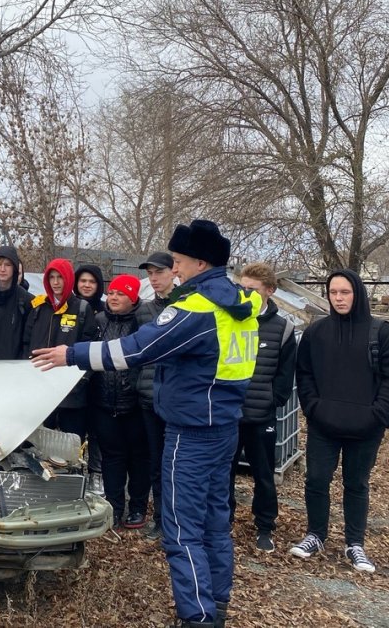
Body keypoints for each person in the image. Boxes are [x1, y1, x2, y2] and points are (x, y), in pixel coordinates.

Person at [32, 220, 260, 628]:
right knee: (213, 523)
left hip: (190, 432)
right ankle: (217, 604)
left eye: (177, 262)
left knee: (182, 531)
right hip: (225, 425)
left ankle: (199, 618)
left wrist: (72, 355)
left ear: (201, 262)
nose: (174, 270)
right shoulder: (243, 303)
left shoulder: (197, 310)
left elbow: (135, 349)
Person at [289, 269, 389, 574]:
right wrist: (313, 408)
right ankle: (316, 534)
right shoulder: (317, 333)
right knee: (316, 480)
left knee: (356, 484)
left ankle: (355, 543)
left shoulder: (381, 332)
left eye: (345, 292)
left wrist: (377, 415)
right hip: (324, 425)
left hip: (366, 428)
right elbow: (303, 374)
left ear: (358, 293)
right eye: (333, 293)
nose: (339, 298)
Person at [230, 261, 296, 553]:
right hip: (229, 414)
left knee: (264, 475)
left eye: (252, 290)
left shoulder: (283, 329)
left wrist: (272, 402)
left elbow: (285, 375)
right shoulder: (231, 320)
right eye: (242, 289)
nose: (246, 294)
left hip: (261, 417)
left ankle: (265, 526)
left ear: (269, 291)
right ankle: (223, 520)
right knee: (223, 473)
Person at [87, 274, 151, 528]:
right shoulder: (99, 320)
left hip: (134, 403)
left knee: (138, 459)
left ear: (132, 297)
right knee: (112, 458)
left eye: (120, 294)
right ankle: (114, 508)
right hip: (104, 402)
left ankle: (137, 507)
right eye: (111, 292)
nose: (113, 297)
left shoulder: (143, 321)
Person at [22, 258, 98, 439]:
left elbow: (90, 348)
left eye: (60, 277)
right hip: (40, 395)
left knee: (70, 450)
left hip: (71, 396)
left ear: (69, 279)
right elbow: (26, 343)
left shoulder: (81, 308)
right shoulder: (38, 307)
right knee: (38, 448)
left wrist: (81, 381)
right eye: (52, 278)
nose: (55, 282)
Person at [137, 251, 177, 539]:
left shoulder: (188, 307)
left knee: (177, 464)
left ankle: (178, 520)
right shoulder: (144, 311)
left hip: (177, 400)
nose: (154, 278)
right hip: (149, 397)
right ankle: (161, 519)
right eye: (150, 273)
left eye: (159, 272)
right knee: (156, 462)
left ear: (174, 272)